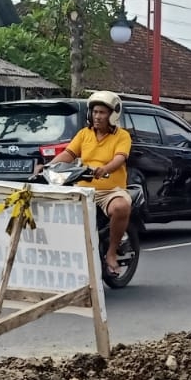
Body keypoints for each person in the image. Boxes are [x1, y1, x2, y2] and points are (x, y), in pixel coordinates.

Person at [54, 90, 132, 277]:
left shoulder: (122, 136)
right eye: (95, 112)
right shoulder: (84, 134)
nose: (97, 116)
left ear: (112, 115)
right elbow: (69, 154)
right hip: (83, 188)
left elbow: (120, 158)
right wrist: (49, 166)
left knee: (121, 207)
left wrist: (105, 169)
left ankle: (111, 252)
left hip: (110, 191)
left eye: (102, 113)